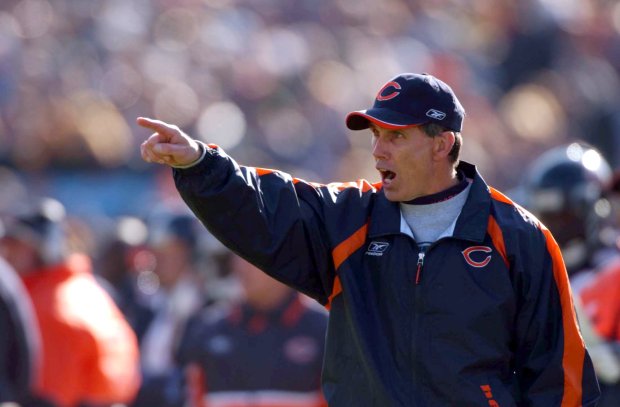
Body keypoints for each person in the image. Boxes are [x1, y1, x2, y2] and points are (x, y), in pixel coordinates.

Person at [138, 72, 600, 406]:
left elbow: (560, 378)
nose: (377, 150)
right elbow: (265, 205)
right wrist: (200, 163)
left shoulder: (520, 238)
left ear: (442, 144)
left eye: (395, 136)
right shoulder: (347, 218)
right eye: (376, 135)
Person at [0, 197, 141, 407]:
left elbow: (52, 396)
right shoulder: (81, 286)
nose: (7, 255)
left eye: (17, 247)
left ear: (41, 251)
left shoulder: (51, 307)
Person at [177, 252, 328, 407]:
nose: (242, 266)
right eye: (237, 254)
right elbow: (194, 398)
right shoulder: (207, 328)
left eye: (251, 255)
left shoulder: (324, 330)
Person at [130, 211, 211, 407]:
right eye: (156, 250)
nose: (159, 258)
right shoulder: (145, 304)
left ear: (190, 253)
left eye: (171, 250)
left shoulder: (209, 306)